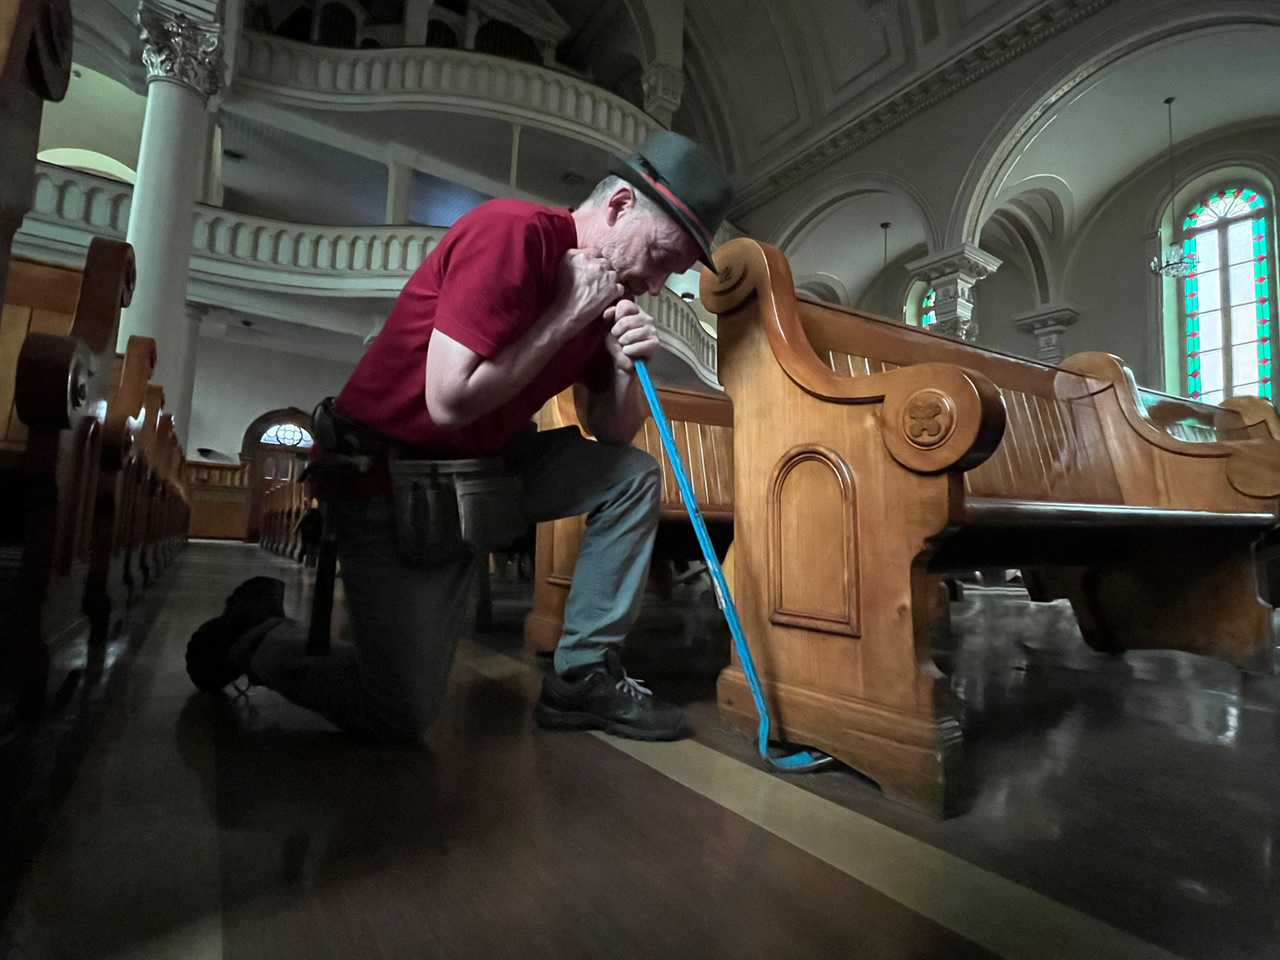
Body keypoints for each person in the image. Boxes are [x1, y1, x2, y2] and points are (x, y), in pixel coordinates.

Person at [186, 131, 734, 745]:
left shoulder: (608, 293)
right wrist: (566, 317)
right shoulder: (514, 234)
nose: (657, 284)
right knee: (400, 711)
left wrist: (624, 364)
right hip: (387, 478)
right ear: (619, 206)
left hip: (486, 470)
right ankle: (254, 635)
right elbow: (446, 402)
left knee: (631, 476)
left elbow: (612, 434)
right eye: (660, 257)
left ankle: (581, 678)